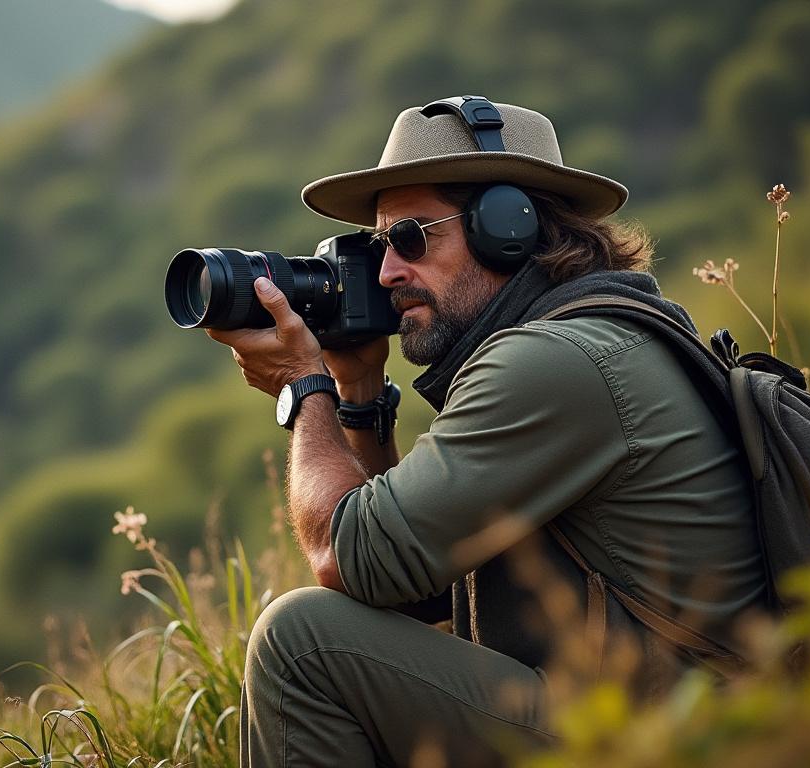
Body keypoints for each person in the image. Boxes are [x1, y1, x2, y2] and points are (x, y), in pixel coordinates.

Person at [205, 96, 770, 766]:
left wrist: (305, 388)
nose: (386, 272)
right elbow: (411, 591)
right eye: (380, 247)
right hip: (669, 714)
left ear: (510, 227)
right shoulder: (588, 338)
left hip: (677, 738)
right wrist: (355, 391)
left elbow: (343, 555)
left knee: (300, 643)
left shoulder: (551, 363)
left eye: (410, 239)